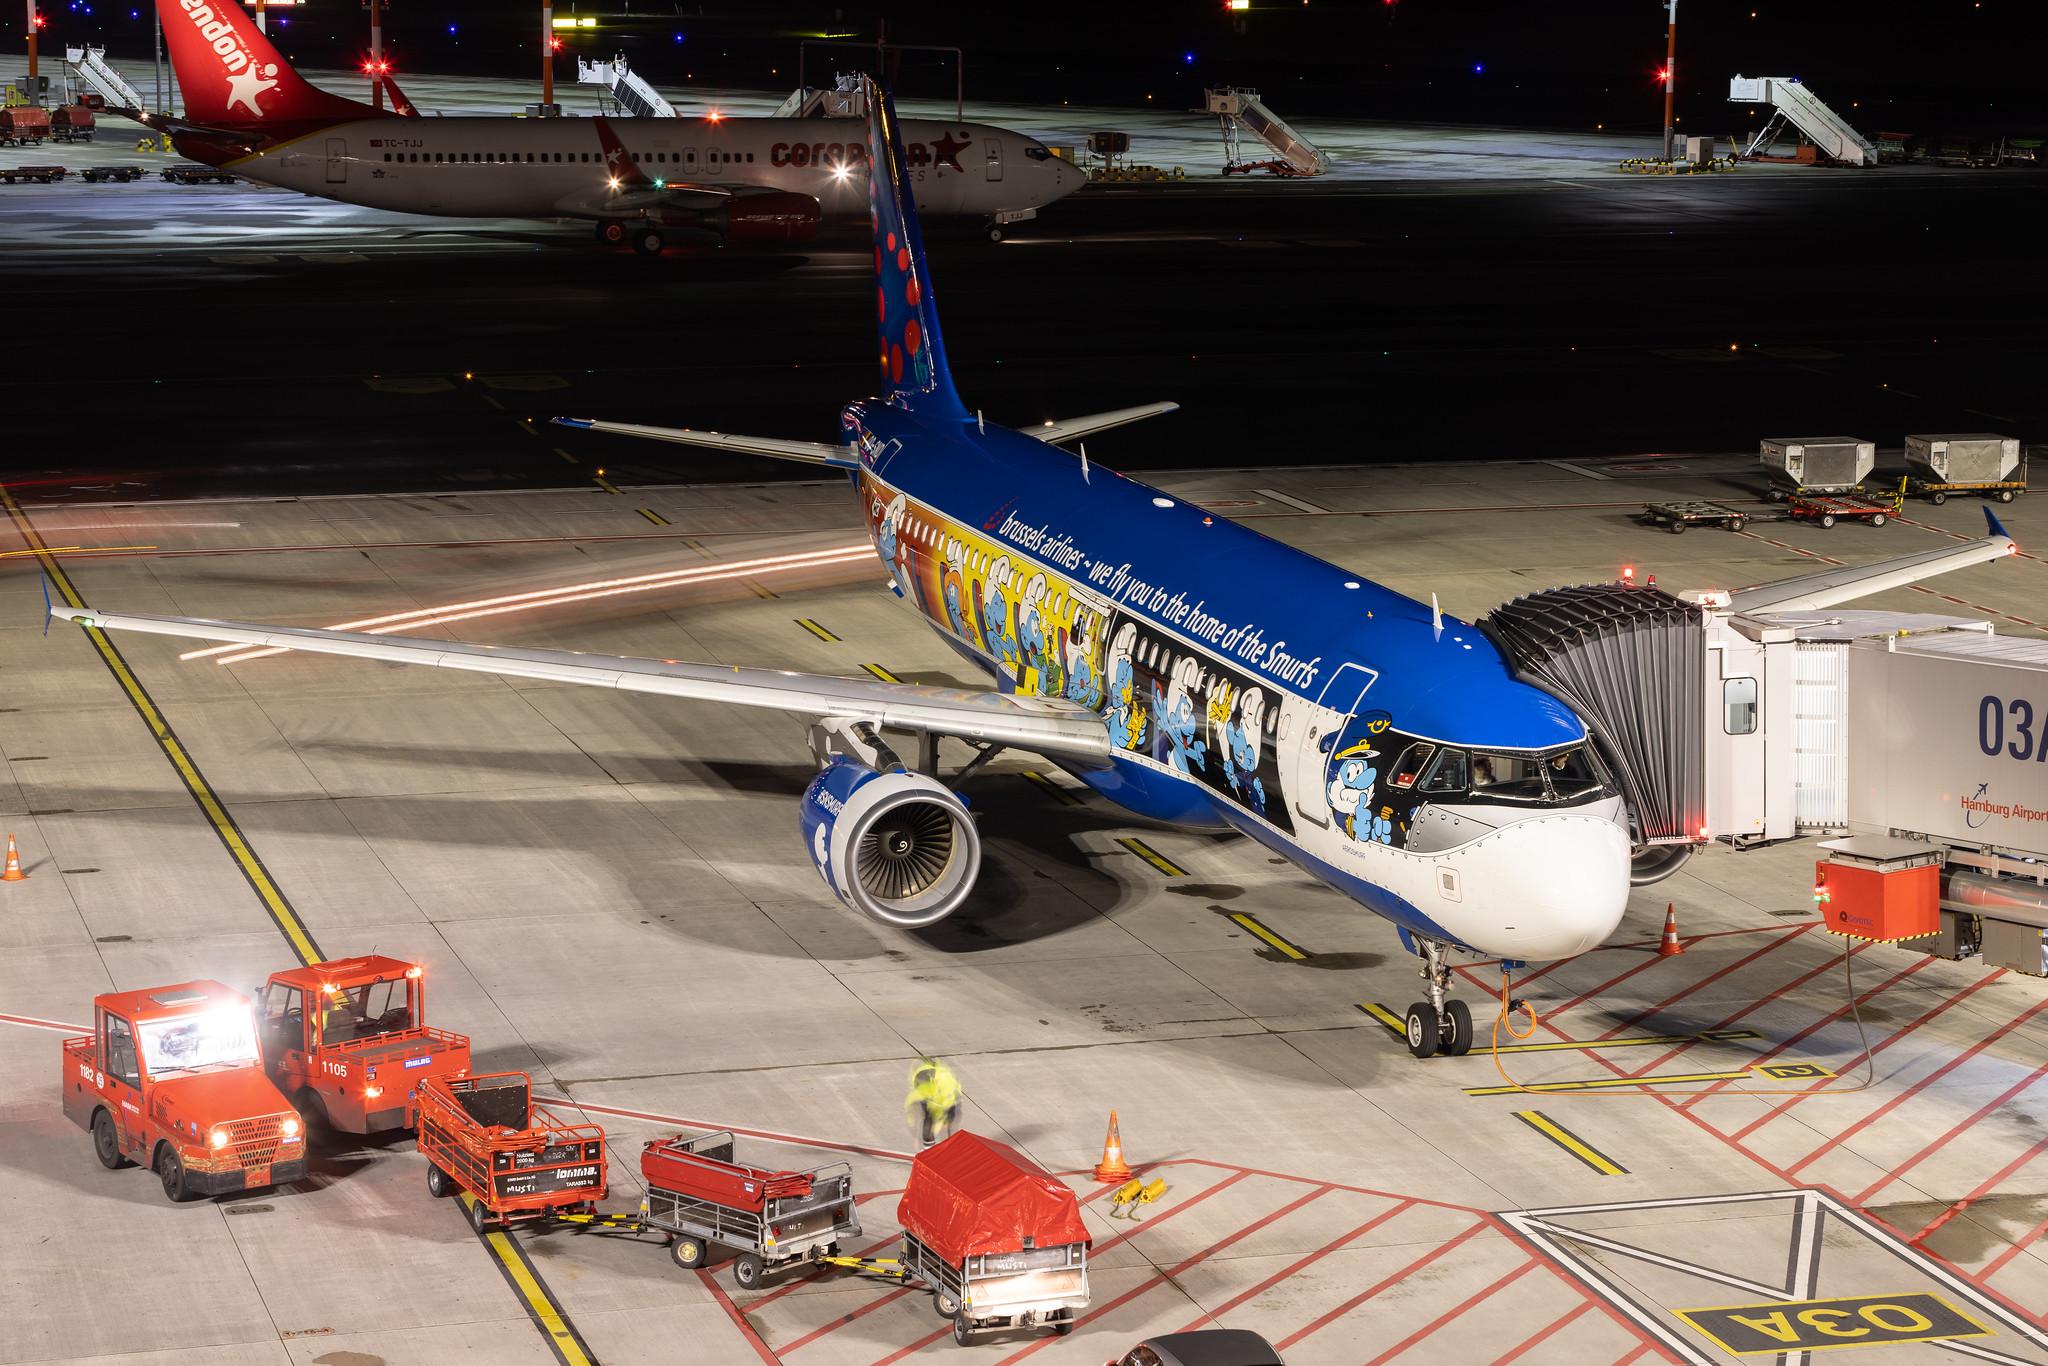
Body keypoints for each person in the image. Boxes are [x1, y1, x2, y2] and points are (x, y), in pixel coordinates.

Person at [905, 1056, 961, 1148]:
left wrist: (943, 1121)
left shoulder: (945, 1083)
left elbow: (948, 1102)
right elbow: (912, 1110)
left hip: (947, 1100)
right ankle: (929, 1146)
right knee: (929, 1120)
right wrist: (915, 1134)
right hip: (934, 1097)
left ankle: (947, 1147)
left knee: (945, 1124)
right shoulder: (919, 1092)